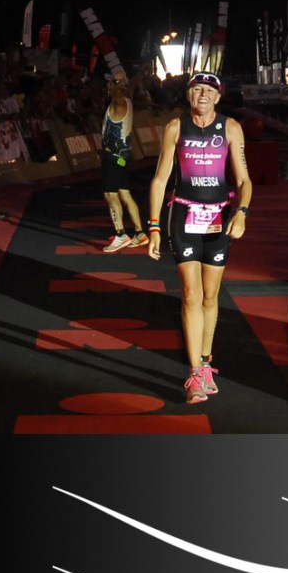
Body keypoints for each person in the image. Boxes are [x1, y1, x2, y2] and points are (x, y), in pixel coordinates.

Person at [147, 72, 253, 404]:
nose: (203, 95)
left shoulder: (230, 128)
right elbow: (160, 179)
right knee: (191, 295)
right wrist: (153, 227)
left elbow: (244, 180)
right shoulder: (175, 127)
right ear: (189, 96)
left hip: (219, 218)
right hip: (184, 216)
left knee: (210, 296)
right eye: (197, 90)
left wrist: (242, 212)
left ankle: (206, 362)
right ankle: (194, 373)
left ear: (218, 97)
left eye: (209, 91)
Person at [99, 70, 148, 252]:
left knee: (110, 195)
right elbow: (130, 86)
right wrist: (134, 77)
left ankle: (120, 234)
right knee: (125, 194)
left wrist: (117, 82)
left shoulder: (119, 103)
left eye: (113, 83)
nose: (109, 85)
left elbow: (117, 92)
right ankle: (140, 233)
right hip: (123, 157)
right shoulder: (128, 101)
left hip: (113, 158)